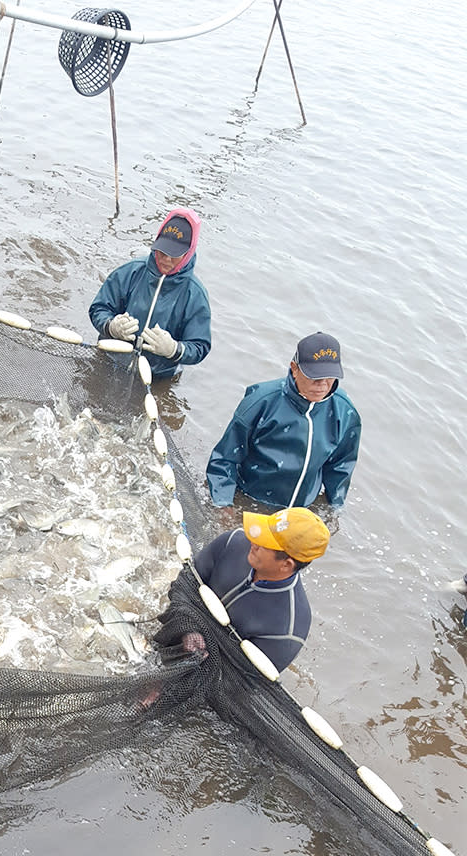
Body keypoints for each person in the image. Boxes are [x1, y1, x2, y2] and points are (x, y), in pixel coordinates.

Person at [154, 506, 330, 673]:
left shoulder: (287, 630)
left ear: (286, 564)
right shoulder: (232, 542)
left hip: (200, 674)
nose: (254, 542)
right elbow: (183, 585)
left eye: (265, 543)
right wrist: (188, 630)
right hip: (175, 630)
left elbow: (240, 685)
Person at [206, 332, 361, 509]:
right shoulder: (261, 402)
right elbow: (224, 458)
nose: (323, 385)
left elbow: (341, 465)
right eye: (316, 377)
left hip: (302, 510)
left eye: (330, 377)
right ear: (295, 368)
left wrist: (334, 508)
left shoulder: (344, 411)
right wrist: (224, 504)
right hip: (252, 498)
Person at [88, 208, 211, 380]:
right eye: (162, 251)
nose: (166, 259)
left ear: (188, 253)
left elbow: (199, 346)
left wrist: (174, 349)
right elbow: (98, 309)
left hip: (157, 376)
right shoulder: (129, 273)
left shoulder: (195, 296)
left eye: (174, 255)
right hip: (110, 361)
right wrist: (111, 326)